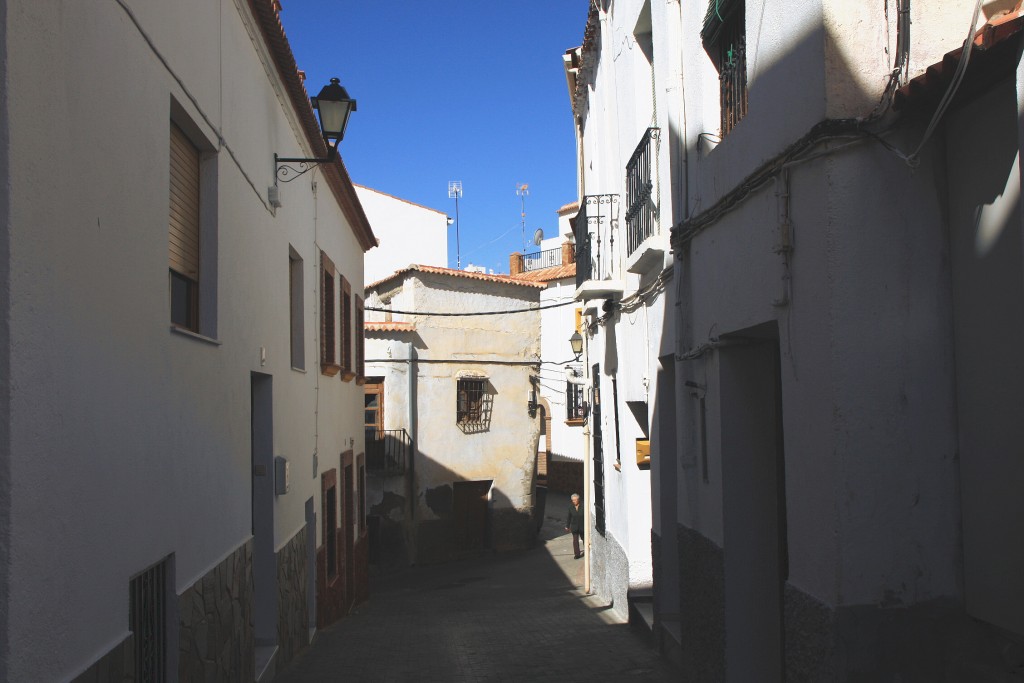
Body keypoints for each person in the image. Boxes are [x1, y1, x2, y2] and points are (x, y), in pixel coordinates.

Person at [565, 493, 584, 559]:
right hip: (574, 526)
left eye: (575, 500)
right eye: (572, 500)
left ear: (578, 500)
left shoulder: (583, 506)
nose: (574, 501)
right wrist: (567, 526)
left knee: (584, 539)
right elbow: (569, 517)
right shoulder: (571, 507)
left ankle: (587, 552)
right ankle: (577, 554)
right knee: (575, 541)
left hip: (582, 526)